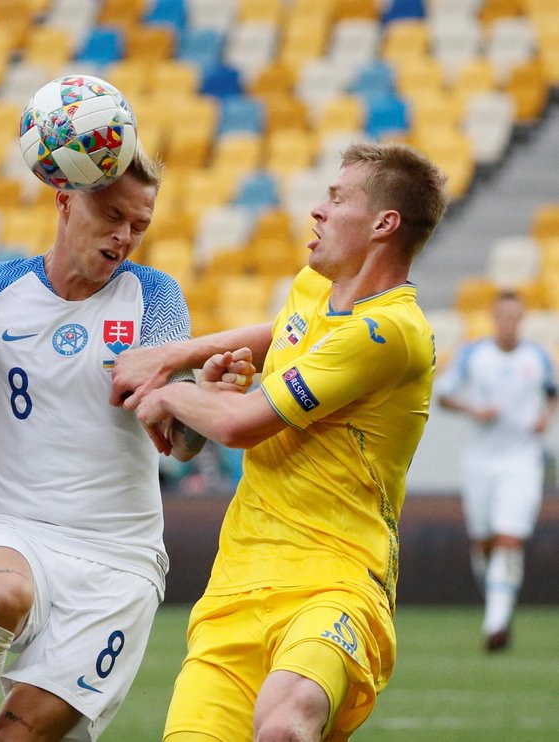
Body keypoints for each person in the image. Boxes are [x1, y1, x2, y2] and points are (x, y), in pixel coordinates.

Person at [0, 148, 249, 741]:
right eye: (111, 215)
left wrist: (204, 399)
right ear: (65, 199)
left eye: (139, 225)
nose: (124, 236)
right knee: (1, 594)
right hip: (16, 531)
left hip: (120, 561)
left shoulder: (154, 298)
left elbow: (178, 446)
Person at [112, 142, 450, 741]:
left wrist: (170, 391)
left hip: (336, 583)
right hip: (235, 585)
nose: (316, 211)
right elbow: (283, 335)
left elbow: (243, 427)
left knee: (284, 726)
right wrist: (191, 361)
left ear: (383, 224)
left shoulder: (388, 331)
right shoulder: (314, 290)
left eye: (337, 198)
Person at [435, 290, 557, 652]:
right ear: (494, 317)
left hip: (521, 461)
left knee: (509, 539)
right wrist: (472, 408)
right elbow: (443, 394)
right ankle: (499, 603)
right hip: (480, 462)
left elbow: (552, 392)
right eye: (502, 316)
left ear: (522, 319)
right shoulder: (474, 354)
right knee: (486, 542)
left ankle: (495, 622)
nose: (508, 322)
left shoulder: (537, 357)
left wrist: (545, 418)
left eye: (514, 316)